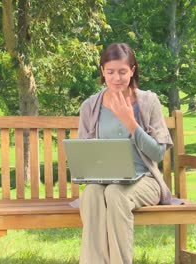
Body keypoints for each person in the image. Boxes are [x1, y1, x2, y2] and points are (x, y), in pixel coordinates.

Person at [77, 43, 182, 264]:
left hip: (145, 180)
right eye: (110, 72)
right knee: (91, 194)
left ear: (132, 70)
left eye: (123, 72)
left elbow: (157, 154)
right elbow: (84, 153)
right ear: (102, 71)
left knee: (116, 194)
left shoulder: (148, 101)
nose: (116, 78)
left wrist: (131, 123)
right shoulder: (90, 106)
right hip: (103, 181)